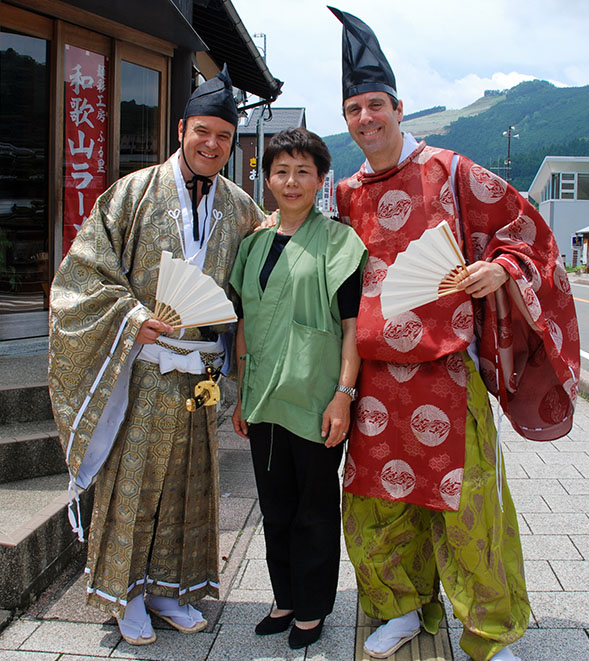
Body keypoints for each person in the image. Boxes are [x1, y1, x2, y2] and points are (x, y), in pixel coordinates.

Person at [328, 8, 581, 661]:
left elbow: (530, 237)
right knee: (376, 506)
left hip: (446, 372)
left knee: (470, 509)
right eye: (353, 108)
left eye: (375, 105)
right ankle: (401, 609)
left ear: (398, 107)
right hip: (377, 378)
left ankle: (492, 634)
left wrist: (497, 268)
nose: (365, 119)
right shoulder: (345, 193)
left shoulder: (452, 170)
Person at [48, 66, 264, 647]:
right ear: (181, 129)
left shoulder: (243, 208)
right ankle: (127, 595)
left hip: (201, 371)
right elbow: (85, 272)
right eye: (203, 132)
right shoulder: (132, 193)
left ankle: (173, 588)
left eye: (223, 136)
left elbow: (259, 285)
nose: (212, 144)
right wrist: (131, 316)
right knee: (134, 481)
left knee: (192, 483)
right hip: (143, 367)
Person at [229, 128, 367, 649]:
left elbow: (353, 327)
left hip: (314, 398)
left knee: (314, 508)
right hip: (264, 397)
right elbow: (244, 322)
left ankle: (312, 607)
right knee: (275, 505)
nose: (291, 181)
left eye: (303, 171)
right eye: (281, 171)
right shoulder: (254, 244)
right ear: (266, 179)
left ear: (320, 180)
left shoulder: (339, 241)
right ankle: (284, 597)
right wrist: (241, 393)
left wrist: (343, 395)